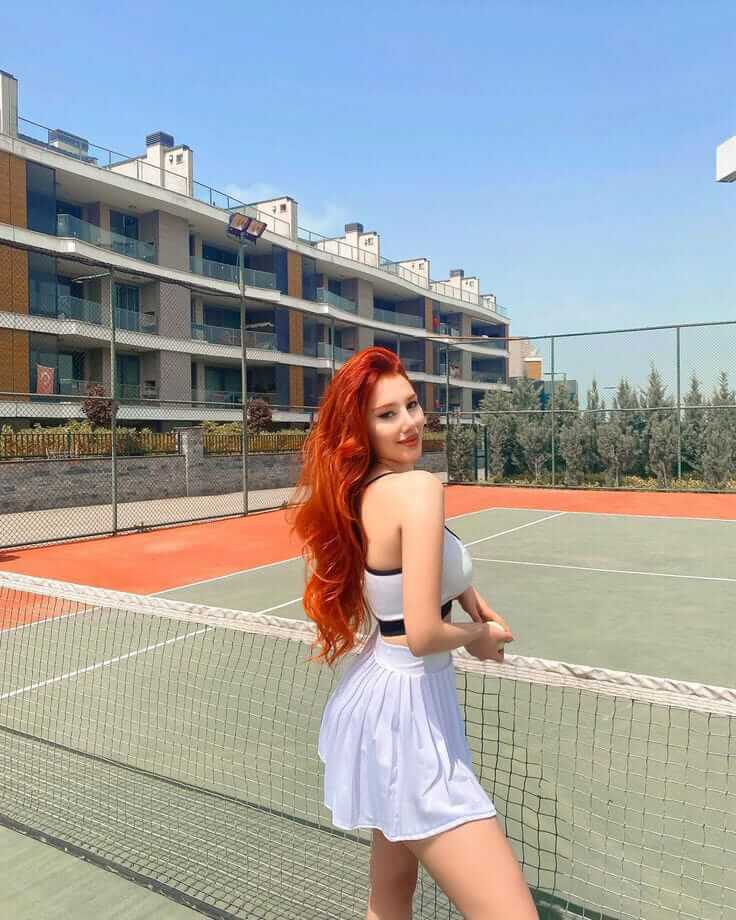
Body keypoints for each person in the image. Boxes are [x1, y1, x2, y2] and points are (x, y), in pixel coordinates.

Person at [290, 347, 538, 920]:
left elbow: (412, 577)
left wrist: (470, 597)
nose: (409, 422)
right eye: (387, 414)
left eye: (411, 405)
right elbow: (424, 632)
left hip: (385, 698)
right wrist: (477, 633)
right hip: (408, 716)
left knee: (391, 894)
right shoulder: (420, 487)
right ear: (362, 429)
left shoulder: (369, 490)